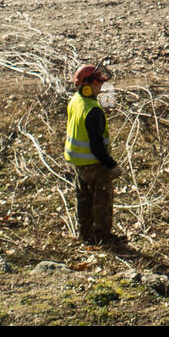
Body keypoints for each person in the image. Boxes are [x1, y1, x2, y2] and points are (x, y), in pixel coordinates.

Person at [64, 65, 122, 246]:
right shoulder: (93, 110)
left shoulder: (76, 100)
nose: (101, 88)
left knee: (83, 199)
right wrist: (112, 165)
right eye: (98, 84)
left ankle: (85, 234)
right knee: (102, 202)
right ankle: (103, 237)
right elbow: (97, 146)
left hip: (78, 163)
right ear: (88, 86)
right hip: (95, 164)